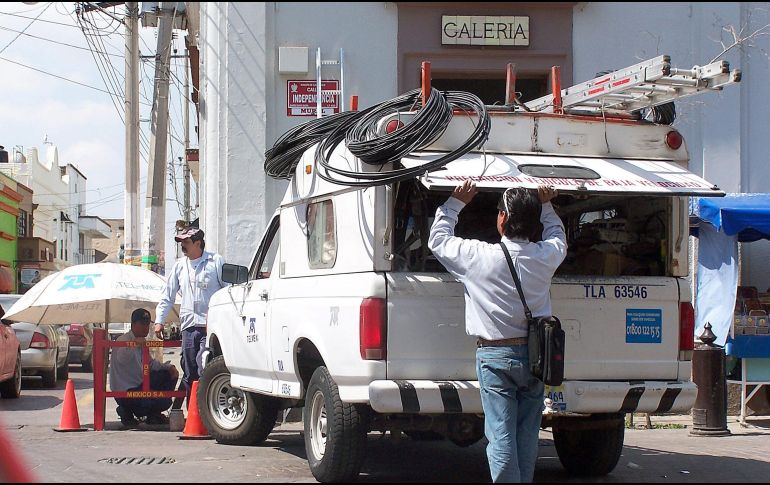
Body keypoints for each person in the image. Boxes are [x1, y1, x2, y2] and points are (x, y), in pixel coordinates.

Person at [428, 181, 567, 483]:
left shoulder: (478, 257)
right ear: (533, 225)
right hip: (536, 358)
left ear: (502, 218)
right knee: (527, 435)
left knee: (501, 435)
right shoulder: (545, 256)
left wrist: (455, 202)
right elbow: (558, 237)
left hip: (495, 357)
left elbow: (438, 240)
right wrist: (546, 206)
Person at [154, 226, 225, 404]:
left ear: (198, 243)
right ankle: (189, 411)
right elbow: (167, 296)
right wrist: (159, 321)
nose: (183, 246)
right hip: (189, 326)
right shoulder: (179, 266)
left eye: (186, 242)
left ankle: (205, 411)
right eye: (181, 242)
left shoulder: (215, 262)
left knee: (205, 368)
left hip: (210, 326)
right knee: (189, 369)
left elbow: (227, 290)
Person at [110, 308, 179, 427]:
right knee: (164, 402)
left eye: (147, 324)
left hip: (140, 384)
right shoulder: (123, 340)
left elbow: (151, 364)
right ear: (133, 324)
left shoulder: (143, 342)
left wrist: (168, 367)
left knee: (169, 374)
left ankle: (152, 414)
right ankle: (129, 411)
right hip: (126, 391)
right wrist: (134, 344)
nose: (146, 328)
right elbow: (122, 358)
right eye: (142, 324)